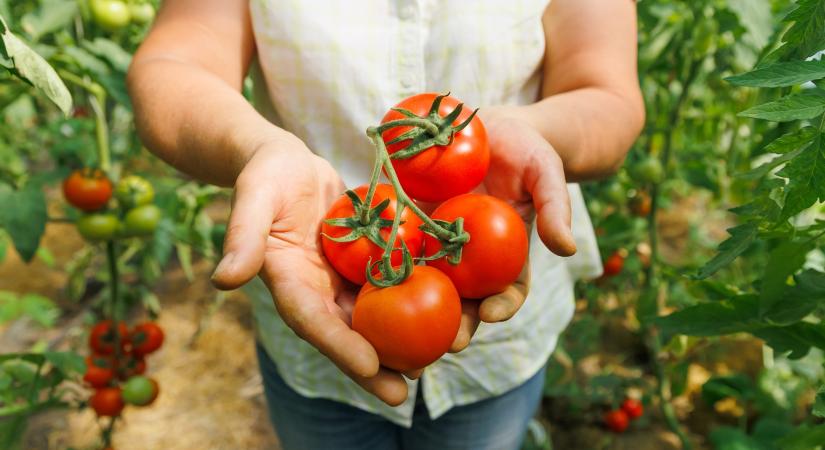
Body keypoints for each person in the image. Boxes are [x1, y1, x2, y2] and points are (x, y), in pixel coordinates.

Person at [127, 0, 643, 448]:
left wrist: (526, 134)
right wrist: (257, 148)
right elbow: (173, 65)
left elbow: (608, 96)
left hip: (501, 349)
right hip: (313, 312)